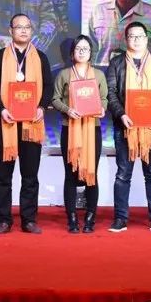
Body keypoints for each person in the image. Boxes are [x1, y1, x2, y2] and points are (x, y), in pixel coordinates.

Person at [0, 13, 53, 234]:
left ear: (31, 31)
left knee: (30, 175)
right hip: (6, 122)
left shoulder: (41, 57)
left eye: (27, 27)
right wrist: (1, 109)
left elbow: (49, 87)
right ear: (10, 31)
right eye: (19, 27)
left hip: (32, 124)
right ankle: (3, 220)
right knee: (3, 176)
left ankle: (29, 220)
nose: (23, 30)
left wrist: (42, 107)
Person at [105, 21, 151, 233]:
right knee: (122, 174)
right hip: (124, 127)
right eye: (132, 36)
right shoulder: (116, 63)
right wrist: (121, 114)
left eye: (140, 36)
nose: (136, 40)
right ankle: (120, 219)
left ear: (146, 39)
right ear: (126, 40)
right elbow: (110, 92)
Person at [51, 34, 107, 234]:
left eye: (86, 48)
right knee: (70, 175)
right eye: (78, 48)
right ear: (72, 53)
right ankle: (72, 218)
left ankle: (90, 217)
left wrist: (102, 109)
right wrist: (68, 110)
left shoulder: (98, 75)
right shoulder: (64, 74)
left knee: (92, 173)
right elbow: (55, 99)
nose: (82, 52)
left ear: (91, 52)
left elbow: (104, 98)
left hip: (92, 129)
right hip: (70, 129)